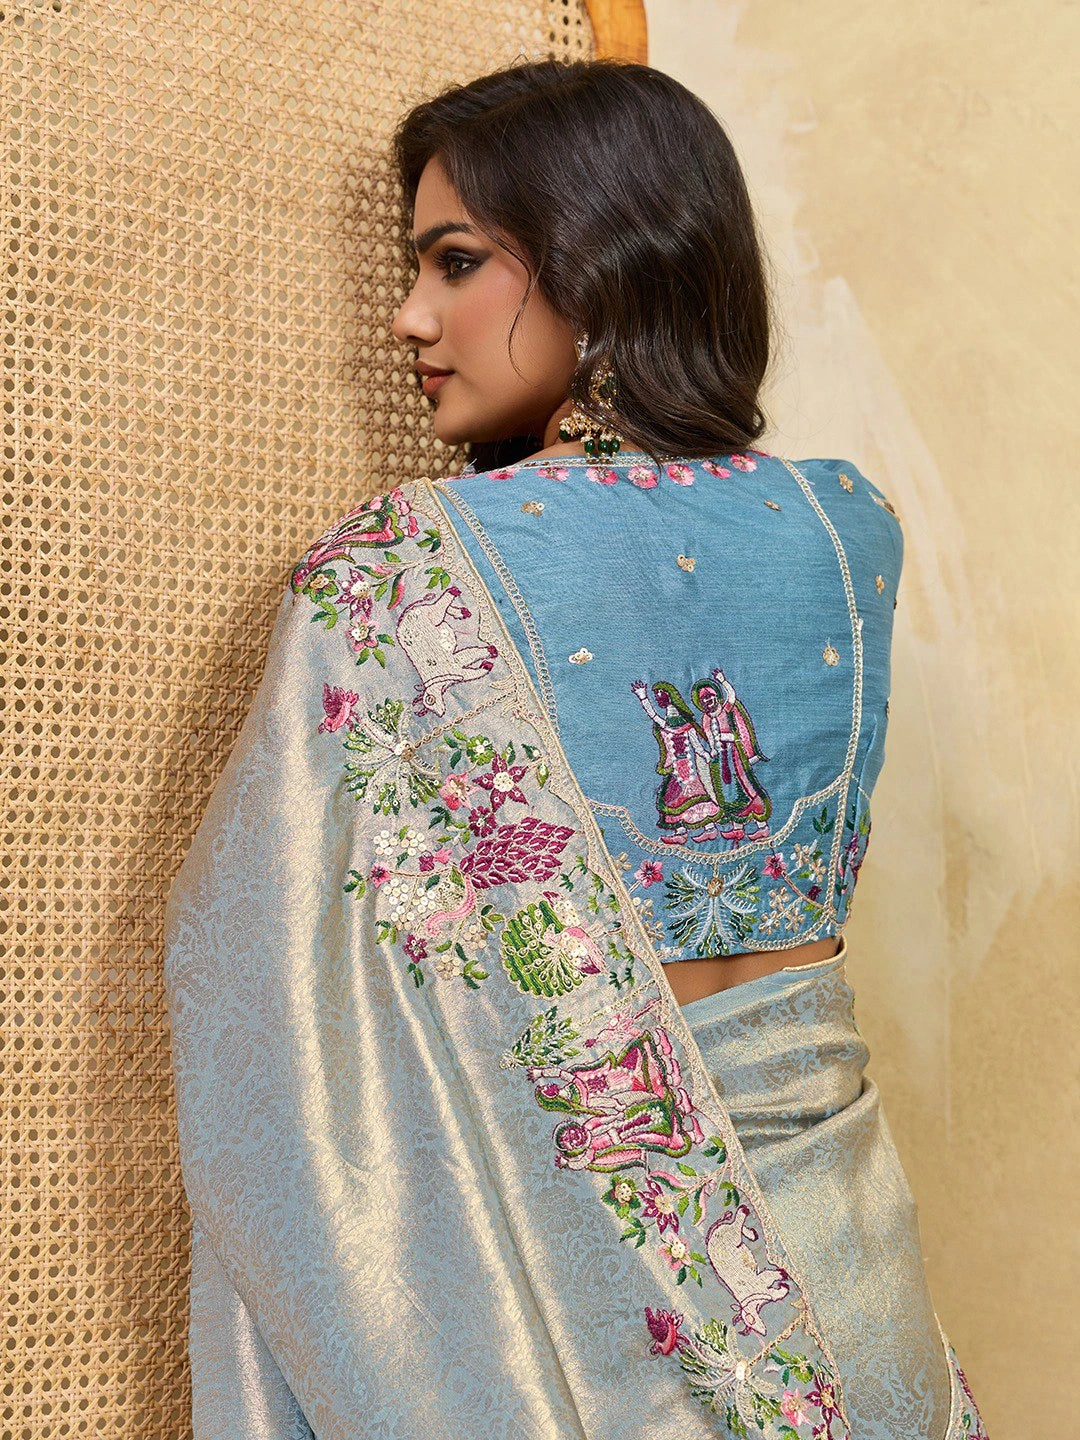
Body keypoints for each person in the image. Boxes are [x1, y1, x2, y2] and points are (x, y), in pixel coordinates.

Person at [163, 57, 989, 1440]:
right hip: (858, 1301)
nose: (409, 317)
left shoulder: (399, 574)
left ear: (599, 262)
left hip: (586, 1340)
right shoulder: (853, 529)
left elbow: (266, 1015)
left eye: (457, 262)